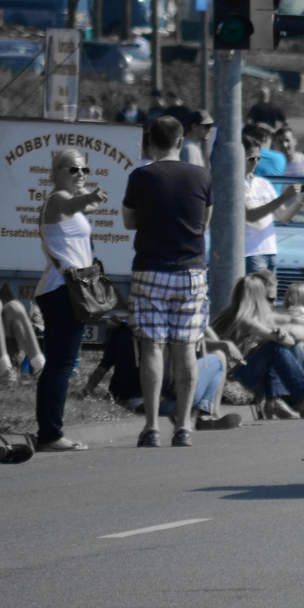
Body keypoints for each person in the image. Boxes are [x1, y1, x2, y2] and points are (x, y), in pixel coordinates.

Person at [122, 115, 213, 448]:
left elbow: (129, 221)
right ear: (180, 141)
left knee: (151, 346)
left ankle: (151, 427)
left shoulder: (141, 176)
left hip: (150, 269)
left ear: (150, 143)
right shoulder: (201, 176)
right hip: (190, 271)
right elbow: (204, 223)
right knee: (186, 347)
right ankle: (185, 425)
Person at [29, 150, 111, 451]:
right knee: (61, 365)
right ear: (57, 172)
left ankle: (49, 432)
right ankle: (50, 434)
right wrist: (90, 198)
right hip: (60, 290)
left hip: (70, 290)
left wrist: (87, 199)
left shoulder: (71, 204)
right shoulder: (57, 200)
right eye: (73, 169)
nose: (81, 174)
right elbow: (75, 202)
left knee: (62, 363)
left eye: (84, 169)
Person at [211, 276, 304, 418]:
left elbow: (294, 323)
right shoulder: (247, 321)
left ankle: (278, 400)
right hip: (230, 384)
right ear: (257, 298)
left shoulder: (230, 314)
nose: (273, 304)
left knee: (270, 347)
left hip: (227, 377)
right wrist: (283, 334)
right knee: (275, 348)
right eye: (269, 299)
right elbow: (288, 342)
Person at [85, 319, 239, 431]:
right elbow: (192, 347)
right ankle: (200, 415)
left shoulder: (120, 330)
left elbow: (104, 365)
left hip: (127, 399)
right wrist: (221, 344)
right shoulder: (164, 329)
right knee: (217, 358)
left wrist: (87, 389)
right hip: (166, 401)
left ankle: (199, 416)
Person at [244, 135, 304, 275]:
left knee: (270, 295)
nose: (255, 162)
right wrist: (283, 198)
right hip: (250, 252)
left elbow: (283, 217)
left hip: (270, 250)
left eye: (258, 158)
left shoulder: (264, 183)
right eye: (251, 159)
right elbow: (250, 215)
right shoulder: (234, 184)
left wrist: (302, 199)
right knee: (257, 295)